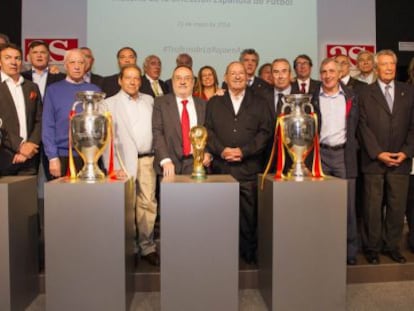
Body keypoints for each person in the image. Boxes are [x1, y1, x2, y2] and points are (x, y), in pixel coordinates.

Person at [205, 61, 272, 264]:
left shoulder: (260, 102)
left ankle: (247, 254)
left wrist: (244, 152)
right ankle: (222, 254)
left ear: (247, 77)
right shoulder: (214, 103)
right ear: (225, 77)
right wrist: (222, 151)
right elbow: (208, 130)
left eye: (241, 73)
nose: (237, 76)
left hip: (248, 169)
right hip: (221, 168)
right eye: (232, 73)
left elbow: (265, 133)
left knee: (248, 216)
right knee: (221, 215)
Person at [359, 49, 414, 264]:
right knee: (372, 207)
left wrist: (406, 152)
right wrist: (378, 153)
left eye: (392, 63)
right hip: (374, 160)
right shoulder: (364, 93)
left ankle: (392, 246)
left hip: (401, 160)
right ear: (376, 67)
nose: (389, 68)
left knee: (396, 206)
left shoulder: (408, 91)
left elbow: (413, 126)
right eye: (384, 64)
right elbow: (361, 126)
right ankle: (371, 248)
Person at [104, 64, 159, 266]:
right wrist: (111, 166)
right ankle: (128, 248)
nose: (133, 81)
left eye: (136, 78)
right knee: (126, 206)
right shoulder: (108, 104)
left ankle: (147, 247)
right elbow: (106, 139)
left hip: (147, 160)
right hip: (121, 163)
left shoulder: (150, 100)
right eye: (128, 78)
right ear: (120, 80)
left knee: (148, 203)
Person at [311, 58, 359, 265]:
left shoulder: (352, 97)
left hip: (343, 157)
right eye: (324, 71)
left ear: (340, 74)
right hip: (319, 156)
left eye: (332, 71)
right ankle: (322, 247)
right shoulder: (312, 98)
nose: (327, 75)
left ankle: (349, 251)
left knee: (347, 207)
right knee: (319, 206)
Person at [42, 48, 101, 178]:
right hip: (61, 156)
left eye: (81, 63)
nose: (77, 66)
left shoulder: (94, 90)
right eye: (72, 62)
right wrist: (52, 157)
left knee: (88, 198)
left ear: (86, 66)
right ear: (65, 65)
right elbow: (48, 125)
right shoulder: (53, 90)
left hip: (90, 156)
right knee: (61, 198)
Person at [152, 65, 210, 177]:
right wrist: (165, 160)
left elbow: (209, 132)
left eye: (187, 78)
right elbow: (157, 132)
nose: (182, 82)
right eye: (178, 78)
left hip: (197, 165)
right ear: (172, 81)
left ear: (193, 82)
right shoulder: (160, 103)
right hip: (169, 166)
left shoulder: (203, 104)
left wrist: (207, 153)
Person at [0, 43, 42, 175]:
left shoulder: (31, 87)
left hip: (29, 157)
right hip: (4, 157)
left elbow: (39, 119)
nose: (13, 62)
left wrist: (30, 145)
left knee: (27, 195)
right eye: (8, 58)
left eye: (17, 58)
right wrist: (20, 146)